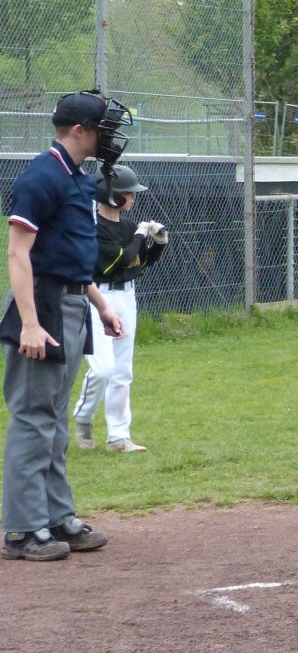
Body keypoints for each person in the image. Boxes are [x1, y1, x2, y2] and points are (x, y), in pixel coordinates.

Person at [3, 90, 130, 562]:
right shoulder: (43, 175)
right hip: (44, 306)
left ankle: (55, 517)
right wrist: (29, 325)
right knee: (33, 418)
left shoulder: (76, 176)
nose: (110, 138)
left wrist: (100, 304)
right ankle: (22, 529)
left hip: (73, 303)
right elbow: (18, 253)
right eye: (104, 129)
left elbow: (70, 256)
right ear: (79, 130)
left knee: (54, 420)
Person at [72, 163, 168, 453]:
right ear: (111, 194)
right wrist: (140, 234)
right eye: (128, 193)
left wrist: (159, 243)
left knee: (123, 370)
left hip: (126, 297)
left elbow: (138, 262)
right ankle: (84, 416)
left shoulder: (127, 226)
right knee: (103, 369)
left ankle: (118, 436)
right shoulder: (94, 227)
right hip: (98, 298)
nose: (133, 198)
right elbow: (120, 260)